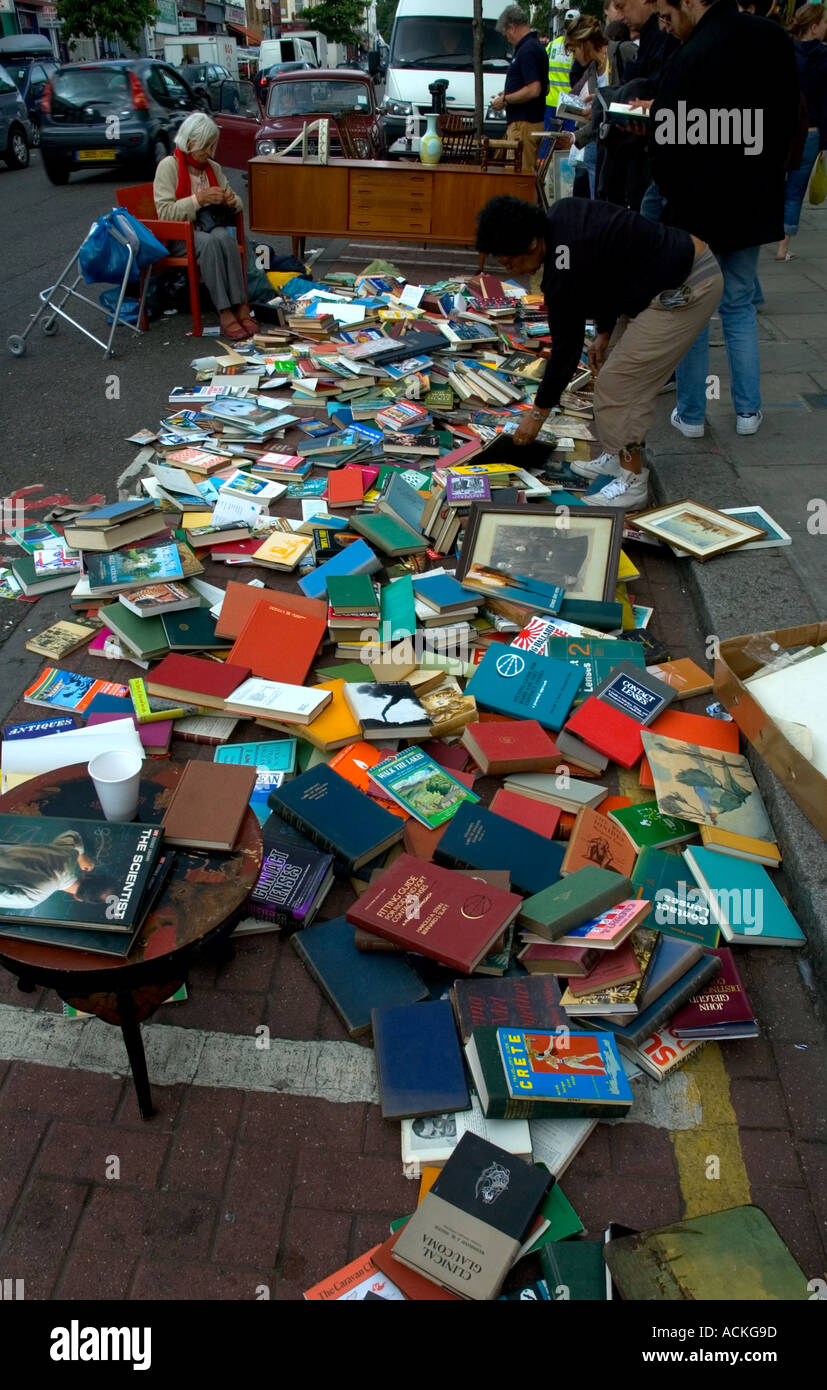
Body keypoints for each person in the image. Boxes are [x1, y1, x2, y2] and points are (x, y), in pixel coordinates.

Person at [475, 195, 723, 510]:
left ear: (533, 243)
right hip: (658, 280)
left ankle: (633, 481)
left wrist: (538, 414)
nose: (508, 268)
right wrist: (604, 332)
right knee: (613, 373)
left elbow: (565, 352)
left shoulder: (561, 272)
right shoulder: (562, 217)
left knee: (621, 385)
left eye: (509, 261)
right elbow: (607, 274)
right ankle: (617, 455)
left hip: (688, 287)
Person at [649, 0, 799, 438]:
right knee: (737, 306)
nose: (668, 25)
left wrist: (671, 190)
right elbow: (788, 116)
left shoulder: (691, 54)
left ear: (692, 3)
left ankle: (692, 414)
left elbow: (665, 137)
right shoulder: (771, 37)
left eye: (670, 14)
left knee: (693, 310)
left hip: (697, 208)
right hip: (753, 200)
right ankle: (748, 412)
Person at [153, 111, 254, 342]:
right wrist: (200, 199)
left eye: (212, 146)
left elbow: (237, 201)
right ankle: (224, 310)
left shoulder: (213, 168)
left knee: (224, 238)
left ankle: (241, 305)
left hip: (209, 229)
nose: (209, 152)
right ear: (189, 142)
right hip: (178, 237)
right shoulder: (168, 167)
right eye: (205, 146)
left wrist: (231, 200)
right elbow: (165, 213)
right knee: (210, 241)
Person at [776, 4, 827, 260]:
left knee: (777, 183)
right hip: (810, 130)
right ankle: (783, 246)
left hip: (782, 128)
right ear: (815, 26)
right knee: (795, 190)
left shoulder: (784, 52)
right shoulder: (824, 58)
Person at [491, 4, 550, 171]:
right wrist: (510, 92)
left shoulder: (527, 50)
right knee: (523, 175)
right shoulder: (536, 46)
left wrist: (505, 99)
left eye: (506, 34)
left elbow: (534, 89)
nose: (507, 39)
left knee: (518, 177)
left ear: (512, 27)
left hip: (524, 125)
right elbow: (543, 87)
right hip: (531, 121)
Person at [0, 830, 117, 911]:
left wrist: (81, 856)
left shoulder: (67, 855)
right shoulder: (32, 898)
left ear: (88, 874)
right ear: (79, 898)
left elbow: (73, 836)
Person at [565, 15, 611, 195]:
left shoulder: (617, 55)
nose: (573, 57)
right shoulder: (591, 70)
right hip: (598, 141)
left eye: (574, 49)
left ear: (584, 43)